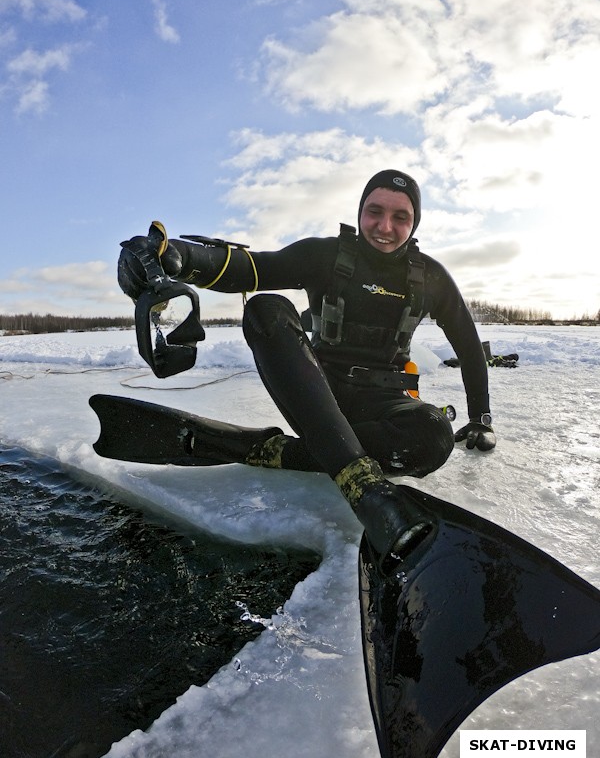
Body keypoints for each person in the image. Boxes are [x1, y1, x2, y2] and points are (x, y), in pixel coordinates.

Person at [118, 169, 495, 566]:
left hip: (385, 402)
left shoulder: (430, 276)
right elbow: (251, 268)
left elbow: (469, 347)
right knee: (267, 308)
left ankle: (274, 451)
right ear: (361, 211)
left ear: (414, 222)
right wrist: (175, 256)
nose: (385, 226)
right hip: (317, 396)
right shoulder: (326, 255)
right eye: (375, 212)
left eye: (400, 217)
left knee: (435, 434)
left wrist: (481, 418)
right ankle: (360, 484)